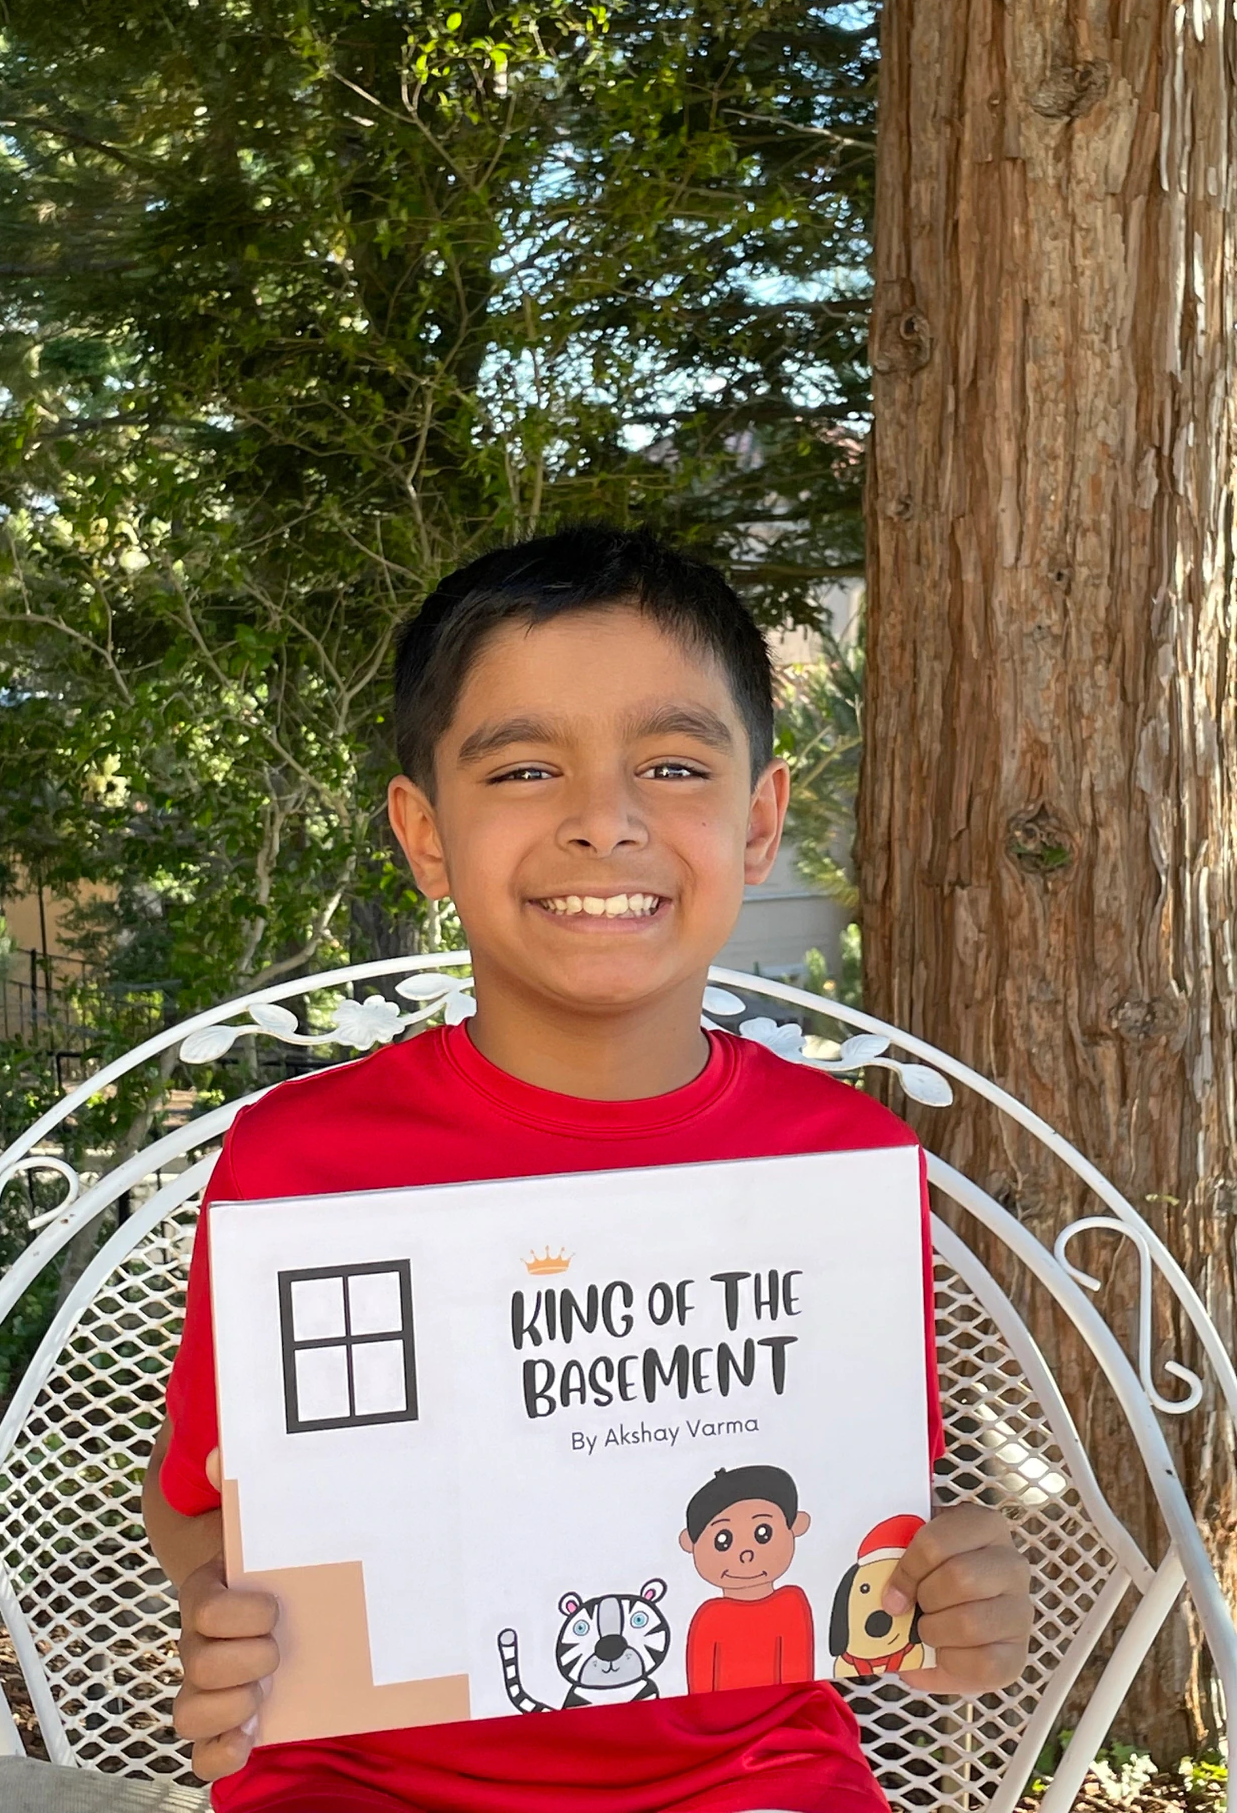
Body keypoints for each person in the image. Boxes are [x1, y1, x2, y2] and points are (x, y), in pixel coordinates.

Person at [141, 526, 1033, 1813]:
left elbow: (867, 1541)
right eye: (520, 768)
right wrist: (224, 1612)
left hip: (757, 1781)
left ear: (760, 821)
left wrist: (958, 1594)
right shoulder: (303, 1164)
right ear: (426, 834)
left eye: (672, 765)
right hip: (354, 1780)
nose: (602, 822)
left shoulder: (840, 1168)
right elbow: (197, 1501)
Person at [680, 1466, 814, 1691]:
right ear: (690, 1544)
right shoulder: (709, 1617)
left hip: (782, 1715)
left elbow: (798, 1679)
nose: (745, 1553)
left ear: (796, 1526)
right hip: (720, 1719)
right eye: (723, 1540)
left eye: (763, 1533)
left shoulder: (791, 1603)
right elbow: (699, 1689)